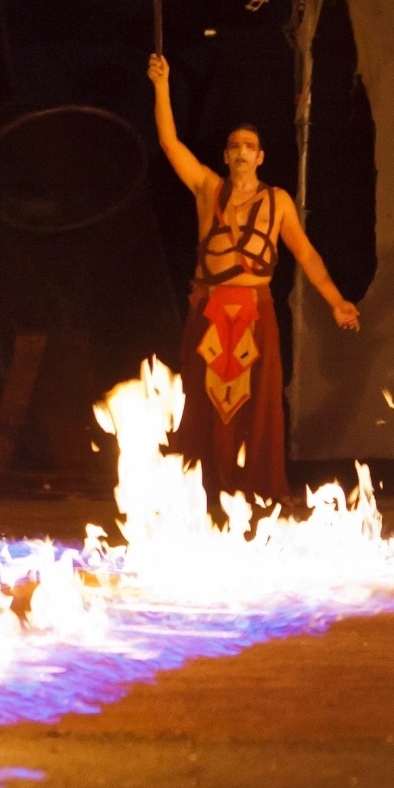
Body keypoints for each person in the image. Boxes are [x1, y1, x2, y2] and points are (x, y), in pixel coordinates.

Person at [149, 53, 359, 501]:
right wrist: (162, 87)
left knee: (257, 405)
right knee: (204, 403)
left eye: (250, 146)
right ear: (226, 155)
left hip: (255, 310)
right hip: (210, 309)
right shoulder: (208, 187)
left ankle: (257, 487)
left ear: (260, 156)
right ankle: (204, 488)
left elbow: (306, 254)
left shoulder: (278, 200)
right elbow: (169, 143)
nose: (242, 150)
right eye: (235, 145)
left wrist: (337, 300)